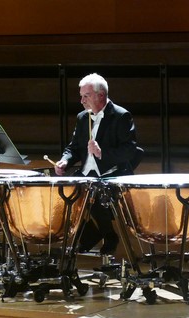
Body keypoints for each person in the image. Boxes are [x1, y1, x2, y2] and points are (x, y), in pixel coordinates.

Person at [54, 73, 139, 254]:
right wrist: (65, 161)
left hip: (112, 173)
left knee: (93, 191)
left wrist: (102, 153)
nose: (82, 100)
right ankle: (91, 233)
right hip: (86, 173)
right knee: (60, 194)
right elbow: (74, 147)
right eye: (81, 96)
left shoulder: (121, 116)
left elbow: (130, 150)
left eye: (86, 96)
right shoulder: (83, 117)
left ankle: (109, 235)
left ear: (101, 95)